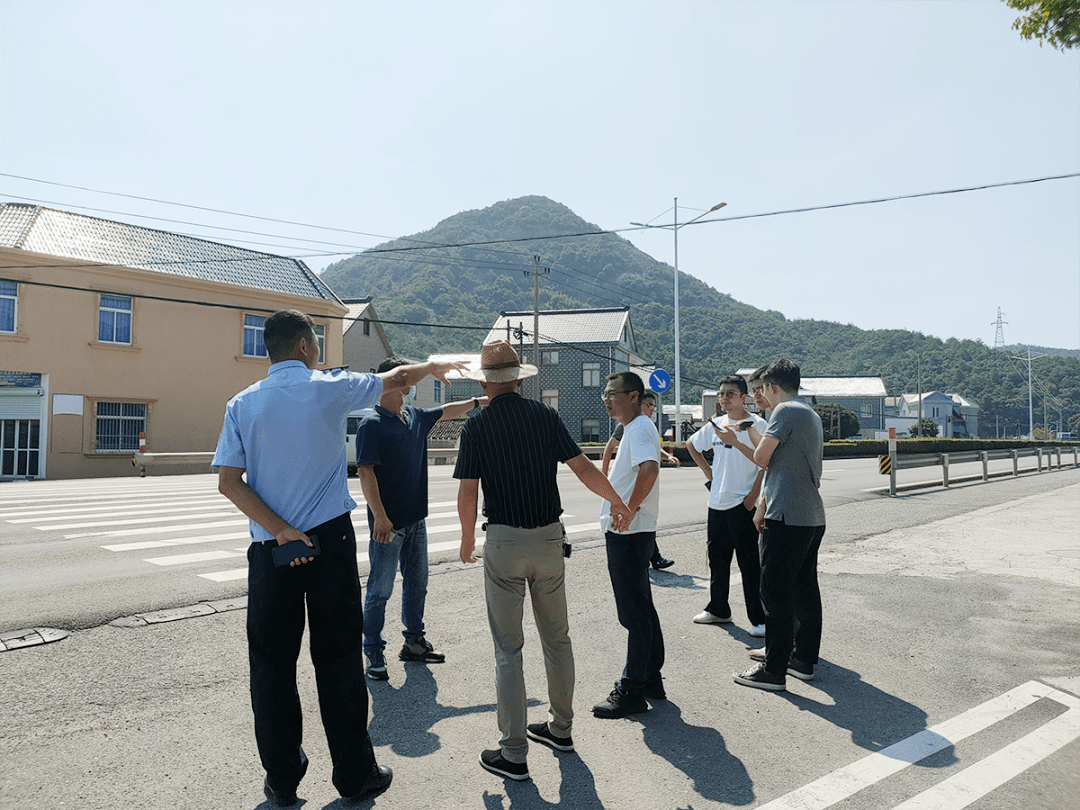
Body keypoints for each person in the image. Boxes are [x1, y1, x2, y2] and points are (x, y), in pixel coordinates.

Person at [213, 309, 463, 806]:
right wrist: (432, 369)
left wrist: (282, 531)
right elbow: (391, 378)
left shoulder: (240, 404)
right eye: (316, 341)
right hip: (328, 545)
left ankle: (282, 780)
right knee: (338, 660)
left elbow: (227, 481)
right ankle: (354, 776)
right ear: (305, 346)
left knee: (271, 667)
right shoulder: (327, 388)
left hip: (271, 551)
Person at [455, 340, 631, 781]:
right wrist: (619, 503)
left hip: (504, 544)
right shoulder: (545, 416)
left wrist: (464, 539)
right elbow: (584, 468)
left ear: (483, 380)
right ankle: (561, 728)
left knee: (508, 651)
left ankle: (513, 752)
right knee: (558, 640)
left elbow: (468, 490)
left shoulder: (475, 426)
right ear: (519, 378)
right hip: (550, 541)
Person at [357, 357, 489, 681]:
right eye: (408, 382)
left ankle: (414, 642)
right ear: (394, 382)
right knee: (380, 590)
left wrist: (481, 401)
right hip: (388, 526)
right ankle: (373, 651)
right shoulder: (371, 424)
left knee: (417, 584)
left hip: (416, 522)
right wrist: (380, 517)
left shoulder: (413, 416)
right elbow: (365, 472)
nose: (411, 388)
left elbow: (448, 411)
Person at [733, 359, 826, 692]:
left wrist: (747, 435)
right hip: (810, 515)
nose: (762, 396)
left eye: (763, 390)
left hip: (788, 517)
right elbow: (780, 465)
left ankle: (773, 671)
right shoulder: (809, 413)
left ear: (773, 387)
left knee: (774, 592)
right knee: (803, 590)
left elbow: (761, 458)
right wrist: (762, 504)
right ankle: (801, 660)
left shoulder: (785, 412)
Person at [593, 371, 666, 719]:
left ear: (633, 396)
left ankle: (632, 690)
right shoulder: (635, 428)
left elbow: (650, 470)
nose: (607, 399)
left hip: (629, 532)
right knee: (642, 608)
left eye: (613, 393)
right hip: (633, 530)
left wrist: (628, 509)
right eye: (605, 394)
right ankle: (651, 678)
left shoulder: (638, 428)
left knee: (634, 614)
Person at [686, 374, 767, 636]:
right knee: (718, 560)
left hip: (743, 503)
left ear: (744, 397)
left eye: (730, 394)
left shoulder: (758, 425)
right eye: (721, 394)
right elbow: (691, 444)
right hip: (717, 503)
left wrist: (753, 496)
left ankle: (759, 619)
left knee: (749, 564)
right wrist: (709, 473)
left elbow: (765, 464)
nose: (724, 398)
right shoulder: (715, 425)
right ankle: (719, 609)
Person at [602, 390, 678, 570]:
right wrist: (604, 475)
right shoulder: (629, 425)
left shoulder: (643, 425)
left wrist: (667, 456)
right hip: (628, 492)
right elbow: (609, 447)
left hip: (637, 491)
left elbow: (650, 453)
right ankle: (655, 558)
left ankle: (655, 557)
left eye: (654, 406)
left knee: (640, 525)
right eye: (648, 405)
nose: (651, 409)